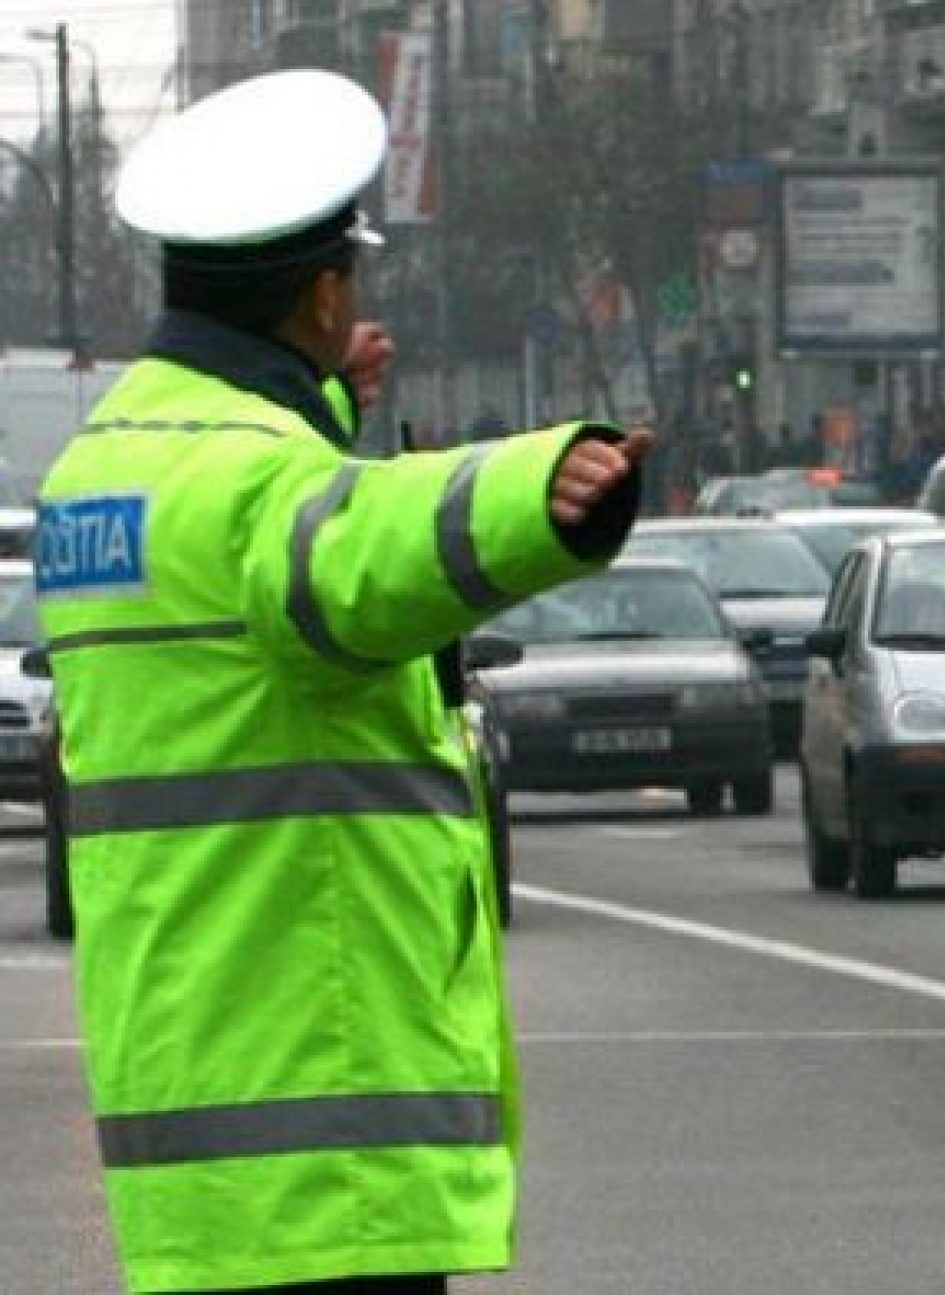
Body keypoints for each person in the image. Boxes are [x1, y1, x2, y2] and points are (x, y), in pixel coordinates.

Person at [34, 69, 650, 1295]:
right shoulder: (262, 482)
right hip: (318, 1116)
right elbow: (356, 553)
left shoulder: (100, 465)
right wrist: (552, 485)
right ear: (324, 292)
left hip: (191, 1080)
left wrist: (314, 398)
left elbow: (261, 547)